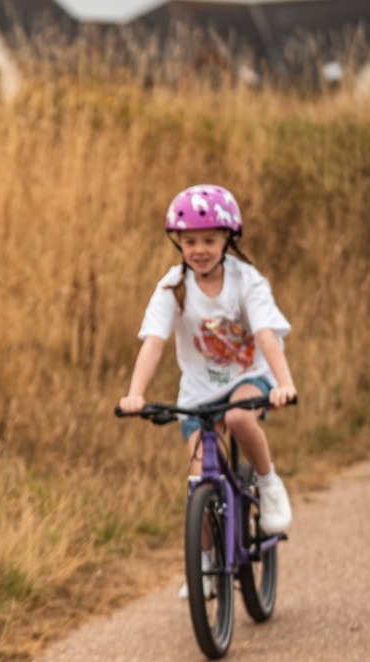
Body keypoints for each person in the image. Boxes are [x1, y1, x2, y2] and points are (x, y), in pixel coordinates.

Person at [118, 185, 297, 595]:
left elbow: (266, 336)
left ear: (227, 240)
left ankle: (268, 485)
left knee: (237, 416)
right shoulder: (172, 287)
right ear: (178, 243)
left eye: (209, 240)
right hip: (198, 392)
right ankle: (203, 563)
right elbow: (154, 343)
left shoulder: (245, 281)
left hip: (250, 376)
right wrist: (135, 393)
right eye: (190, 241)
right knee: (199, 479)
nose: (199, 249)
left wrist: (284, 384)